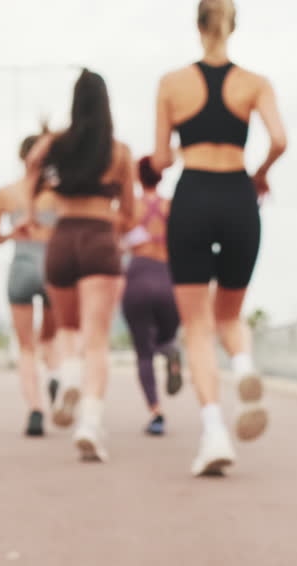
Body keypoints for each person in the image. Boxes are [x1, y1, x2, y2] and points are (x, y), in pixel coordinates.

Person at [151, 0, 288, 476]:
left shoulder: (172, 84)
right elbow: (280, 139)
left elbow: (161, 158)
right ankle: (245, 368)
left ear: (197, 25)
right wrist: (262, 175)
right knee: (229, 312)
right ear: (233, 25)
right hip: (237, 195)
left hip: (191, 197)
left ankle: (213, 432)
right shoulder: (255, 83)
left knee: (197, 326)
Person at [17, 69, 136, 462]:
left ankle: (67, 377)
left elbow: (31, 173)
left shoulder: (56, 146)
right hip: (100, 239)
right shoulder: (119, 152)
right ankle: (89, 422)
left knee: (66, 329)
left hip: (62, 240)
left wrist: (31, 214)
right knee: (97, 341)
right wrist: (114, 216)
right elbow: (130, 214)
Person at [0, 133, 64, 437]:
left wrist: (13, 233)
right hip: (52, 266)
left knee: (26, 346)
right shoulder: (60, 195)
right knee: (51, 338)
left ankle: (35, 409)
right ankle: (56, 376)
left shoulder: (5, 194)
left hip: (20, 265)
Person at [120, 155, 183, 436]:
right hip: (168, 277)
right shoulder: (172, 207)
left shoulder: (129, 207)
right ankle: (170, 352)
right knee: (165, 337)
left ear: (137, 175)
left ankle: (156, 412)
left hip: (138, 276)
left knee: (143, 352)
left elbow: (115, 241)